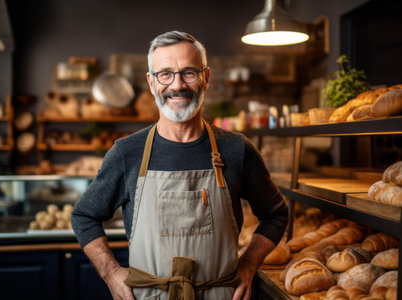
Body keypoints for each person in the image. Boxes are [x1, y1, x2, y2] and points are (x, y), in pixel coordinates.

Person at [71, 31, 288, 300]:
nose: (177, 85)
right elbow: (84, 216)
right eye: (165, 74)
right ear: (151, 83)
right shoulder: (127, 153)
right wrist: (111, 272)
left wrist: (247, 265)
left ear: (206, 78)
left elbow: (276, 214)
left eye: (189, 73)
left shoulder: (235, 149)